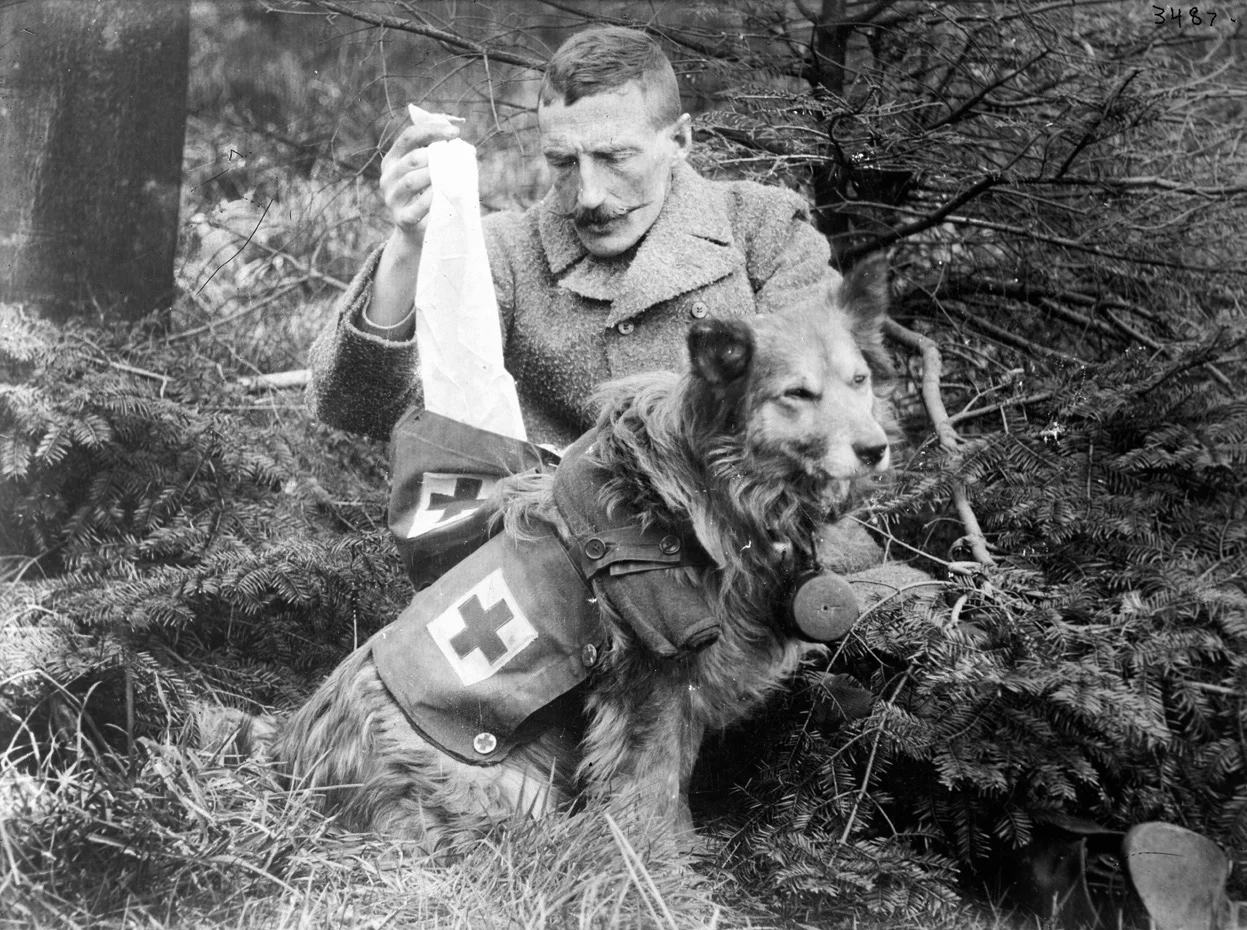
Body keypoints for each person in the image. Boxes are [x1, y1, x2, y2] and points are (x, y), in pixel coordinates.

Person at [308, 25, 838, 451]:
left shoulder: (763, 230)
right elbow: (362, 408)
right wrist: (409, 243)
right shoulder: (506, 254)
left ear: (679, 139)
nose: (587, 195)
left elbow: (831, 413)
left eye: (614, 157)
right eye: (563, 161)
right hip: (563, 562)